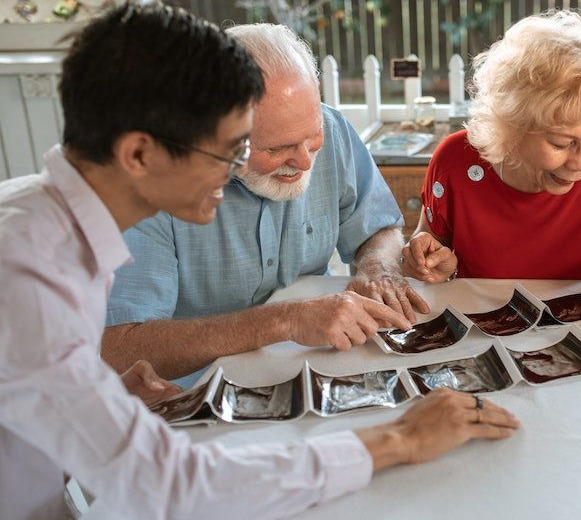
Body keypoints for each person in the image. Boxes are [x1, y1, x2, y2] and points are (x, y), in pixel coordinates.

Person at [0, 3, 519, 518]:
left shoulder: (44, 222)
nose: (231, 175)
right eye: (229, 149)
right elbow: (176, 487)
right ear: (139, 155)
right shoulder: (29, 277)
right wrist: (398, 439)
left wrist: (99, 399)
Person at [102, 22, 430, 387]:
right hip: (198, 391)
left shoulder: (333, 129)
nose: (306, 161)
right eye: (276, 149)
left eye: (313, 137)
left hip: (320, 369)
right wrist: (284, 321)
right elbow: (118, 348)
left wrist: (378, 268)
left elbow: (378, 228)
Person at [400, 10, 581, 333]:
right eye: (561, 143)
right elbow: (425, 244)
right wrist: (426, 260)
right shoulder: (456, 162)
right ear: (511, 129)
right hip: (485, 336)